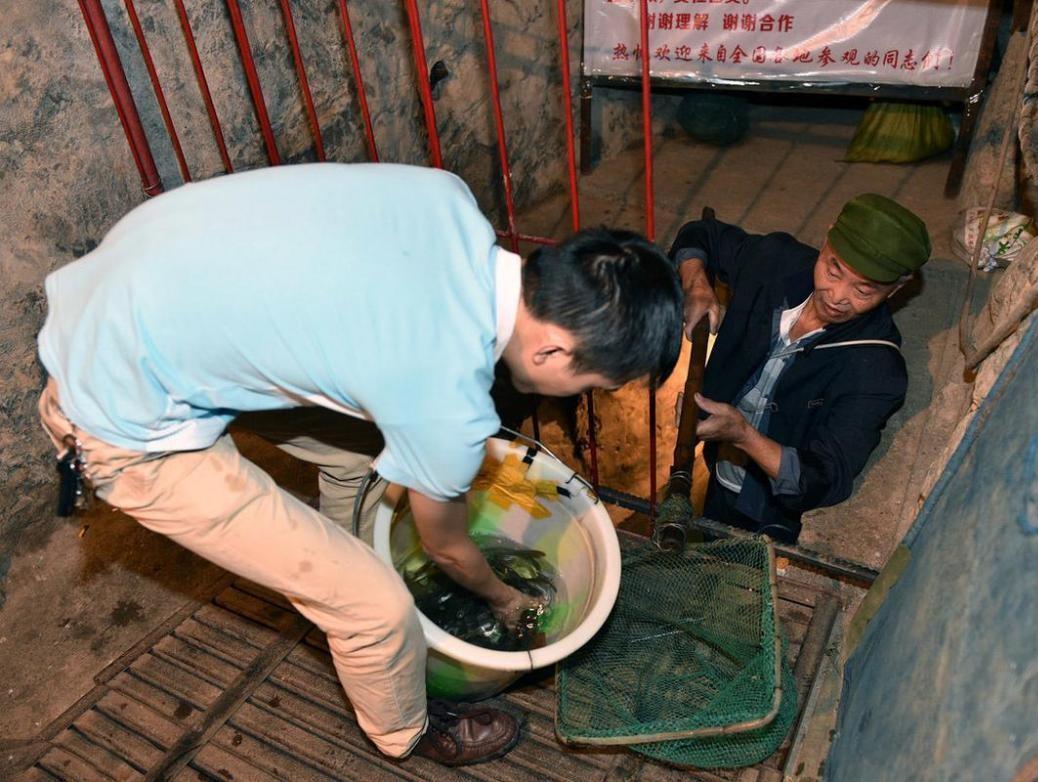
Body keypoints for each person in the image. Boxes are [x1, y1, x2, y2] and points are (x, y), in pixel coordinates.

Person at [36, 162, 683, 766]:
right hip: (119, 420)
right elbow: (451, 552)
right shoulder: (445, 403)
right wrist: (505, 598)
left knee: (358, 454)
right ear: (552, 352)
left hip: (125, 284)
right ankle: (405, 730)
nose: (584, 397)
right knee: (374, 609)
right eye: (592, 382)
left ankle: (342, 556)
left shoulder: (446, 200)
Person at [672, 194, 930, 544]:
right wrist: (696, 284)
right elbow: (703, 234)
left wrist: (743, 435)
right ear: (825, 240)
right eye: (832, 270)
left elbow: (825, 478)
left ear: (897, 288)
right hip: (718, 472)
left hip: (772, 519)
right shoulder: (777, 263)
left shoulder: (875, 369)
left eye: (863, 290)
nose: (837, 296)